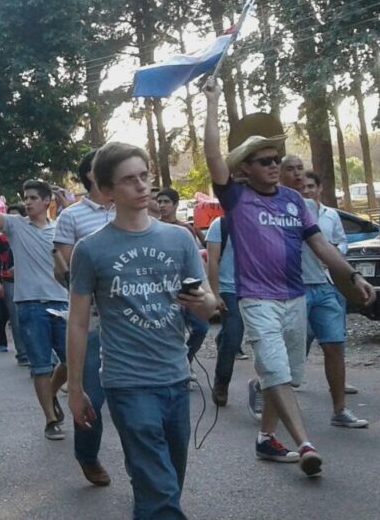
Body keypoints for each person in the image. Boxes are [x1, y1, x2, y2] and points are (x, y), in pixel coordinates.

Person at [204, 81, 374, 476]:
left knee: (288, 377)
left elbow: (320, 245)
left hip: (294, 298)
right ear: (245, 168)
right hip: (257, 299)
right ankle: (305, 444)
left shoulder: (294, 201)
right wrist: (212, 103)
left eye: (276, 159)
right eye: (264, 161)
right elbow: (214, 154)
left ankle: (266, 438)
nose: (274, 166)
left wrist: (351, 277)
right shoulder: (236, 197)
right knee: (277, 372)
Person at [66, 142, 217, 519]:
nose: (142, 186)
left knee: (165, 481)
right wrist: (75, 389)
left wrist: (202, 302)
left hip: (176, 376)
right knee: (161, 491)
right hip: (127, 382)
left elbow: (211, 304)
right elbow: (79, 322)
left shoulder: (179, 238)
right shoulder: (91, 249)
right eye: (129, 180)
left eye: (144, 176)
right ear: (106, 192)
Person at [0, 158, 70, 441]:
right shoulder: (16, 226)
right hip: (29, 304)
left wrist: (67, 202)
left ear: (46, 202)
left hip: (62, 303)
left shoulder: (61, 229)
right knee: (40, 364)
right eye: (25, 198)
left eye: (33, 198)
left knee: (71, 362)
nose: (28, 202)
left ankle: (52, 393)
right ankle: (50, 419)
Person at [52, 148, 115, 486]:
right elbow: (68, 270)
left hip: (129, 317)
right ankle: (88, 455)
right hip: (90, 317)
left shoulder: (129, 209)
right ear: (92, 174)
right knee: (93, 392)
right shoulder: (71, 217)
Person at [297, 170, 367, 427]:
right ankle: (264, 387)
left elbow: (333, 245)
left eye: (310, 186)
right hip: (294, 289)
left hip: (325, 285)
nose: (306, 190)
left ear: (319, 188)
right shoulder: (285, 211)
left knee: (334, 345)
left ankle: (340, 410)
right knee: (290, 348)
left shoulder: (328, 214)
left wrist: (354, 277)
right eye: (301, 186)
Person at [155, 188, 209, 367]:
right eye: (159, 201)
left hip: (187, 290)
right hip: (164, 292)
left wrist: (207, 289)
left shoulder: (186, 230)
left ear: (176, 205)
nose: (162, 205)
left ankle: (187, 360)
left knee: (201, 328)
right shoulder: (153, 229)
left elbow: (197, 261)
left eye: (166, 202)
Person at [206, 215, 245, 407]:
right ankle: (221, 382)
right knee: (234, 336)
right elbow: (212, 260)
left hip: (257, 288)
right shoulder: (220, 224)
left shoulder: (261, 220)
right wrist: (215, 293)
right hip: (229, 289)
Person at [0, 205, 29, 365]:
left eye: (15, 217)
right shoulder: (2, 238)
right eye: (9, 217)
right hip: (10, 283)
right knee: (16, 318)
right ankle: (22, 353)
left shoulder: (29, 234)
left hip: (29, 281)